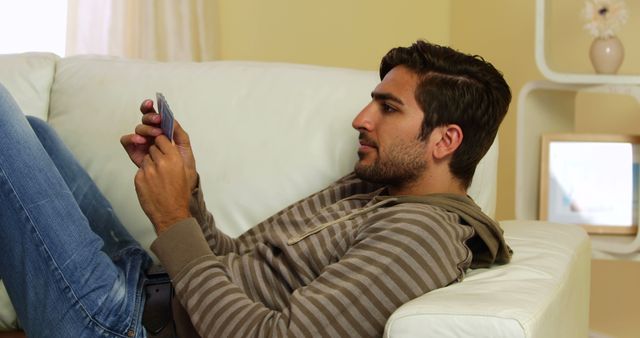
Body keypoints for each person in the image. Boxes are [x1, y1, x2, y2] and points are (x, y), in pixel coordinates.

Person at [0, 40, 511, 338]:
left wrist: (172, 219)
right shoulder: (375, 186)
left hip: (121, 325)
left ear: (446, 140)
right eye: (371, 102)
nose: (361, 118)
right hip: (145, 286)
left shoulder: (420, 238)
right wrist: (187, 187)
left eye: (388, 107)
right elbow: (230, 266)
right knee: (33, 130)